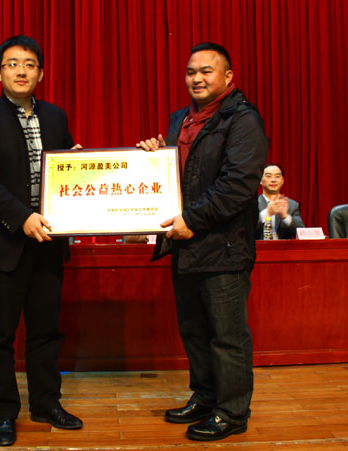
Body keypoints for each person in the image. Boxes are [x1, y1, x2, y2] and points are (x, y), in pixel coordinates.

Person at [137, 43, 268, 441]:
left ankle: (232, 412)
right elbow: (178, 175)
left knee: (227, 335)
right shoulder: (181, 119)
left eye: (207, 71)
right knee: (194, 329)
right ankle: (206, 397)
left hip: (223, 246)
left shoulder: (243, 119)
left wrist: (191, 220)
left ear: (228, 77)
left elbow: (238, 185)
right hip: (186, 245)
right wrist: (153, 158)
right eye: (191, 72)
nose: (197, 78)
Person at [0, 35, 83, 447]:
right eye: (12, 64)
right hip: (3, 243)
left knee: (46, 331)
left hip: (48, 241)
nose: (21, 71)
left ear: (40, 73)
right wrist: (22, 217)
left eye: (29, 64)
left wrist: (76, 165)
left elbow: (63, 170)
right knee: (0, 336)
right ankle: (3, 414)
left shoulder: (55, 116)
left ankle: (46, 403)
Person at [257, 163, 305, 239]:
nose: (273, 180)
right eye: (268, 176)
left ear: (282, 181)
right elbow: (245, 229)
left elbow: (302, 233)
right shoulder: (251, 204)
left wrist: (285, 217)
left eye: (277, 176)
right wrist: (267, 213)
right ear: (260, 180)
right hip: (257, 246)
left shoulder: (292, 205)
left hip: (282, 246)